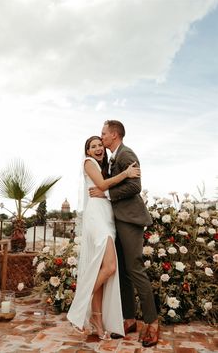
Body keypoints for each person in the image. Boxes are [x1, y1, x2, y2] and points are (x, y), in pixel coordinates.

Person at [89, 121, 159, 347]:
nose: (101, 137)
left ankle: (152, 324)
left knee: (135, 269)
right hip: (116, 221)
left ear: (114, 135)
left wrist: (106, 194)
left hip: (130, 219)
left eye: (103, 133)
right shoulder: (112, 158)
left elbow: (134, 186)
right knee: (124, 273)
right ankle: (129, 319)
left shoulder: (127, 154)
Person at [67, 135, 140, 340]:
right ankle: (79, 305)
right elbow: (102, 184)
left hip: (107, 217)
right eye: (93, 146)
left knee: (101, 268)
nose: (98, 148)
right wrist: (126, 173)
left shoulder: (103, 165)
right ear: (88, 151)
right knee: (110, 267)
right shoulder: (88, 163)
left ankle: (97, 320)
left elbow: (106, 188)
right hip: (96, 218)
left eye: (100, 145)